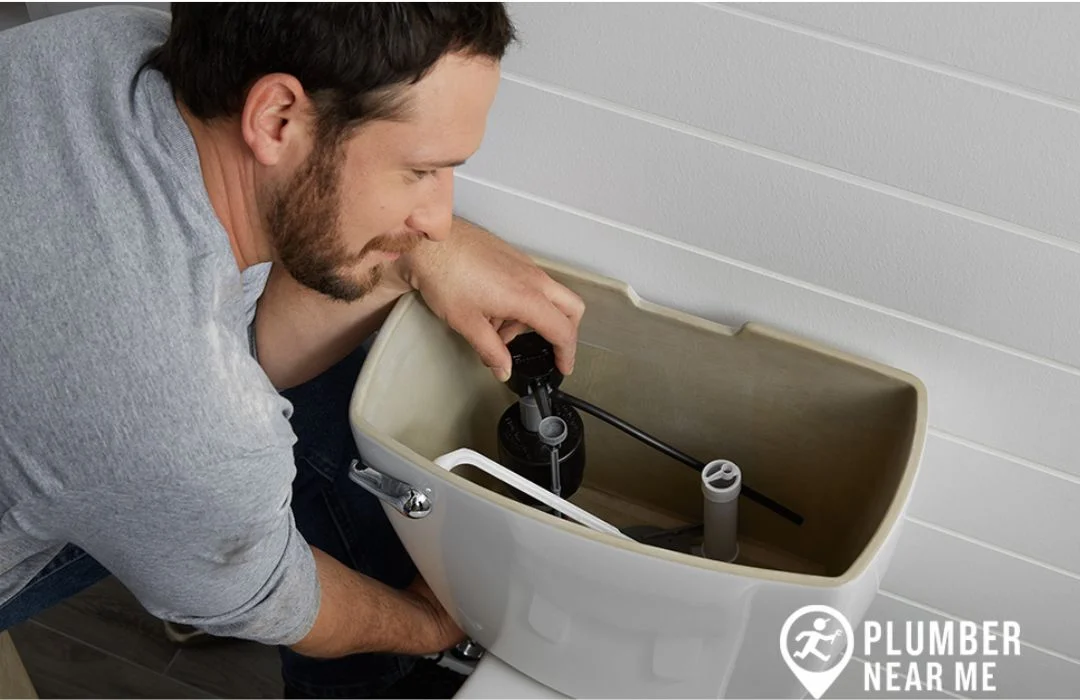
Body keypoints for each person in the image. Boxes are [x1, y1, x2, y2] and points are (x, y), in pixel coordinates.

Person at [0, 3, 584, 698]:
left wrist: (412, 259)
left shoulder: (102, 42)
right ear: (276, 117)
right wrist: (434, 623)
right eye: (421, 170)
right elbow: (277, 596)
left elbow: (193, 374)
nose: (438, 218)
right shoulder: (178, 420)